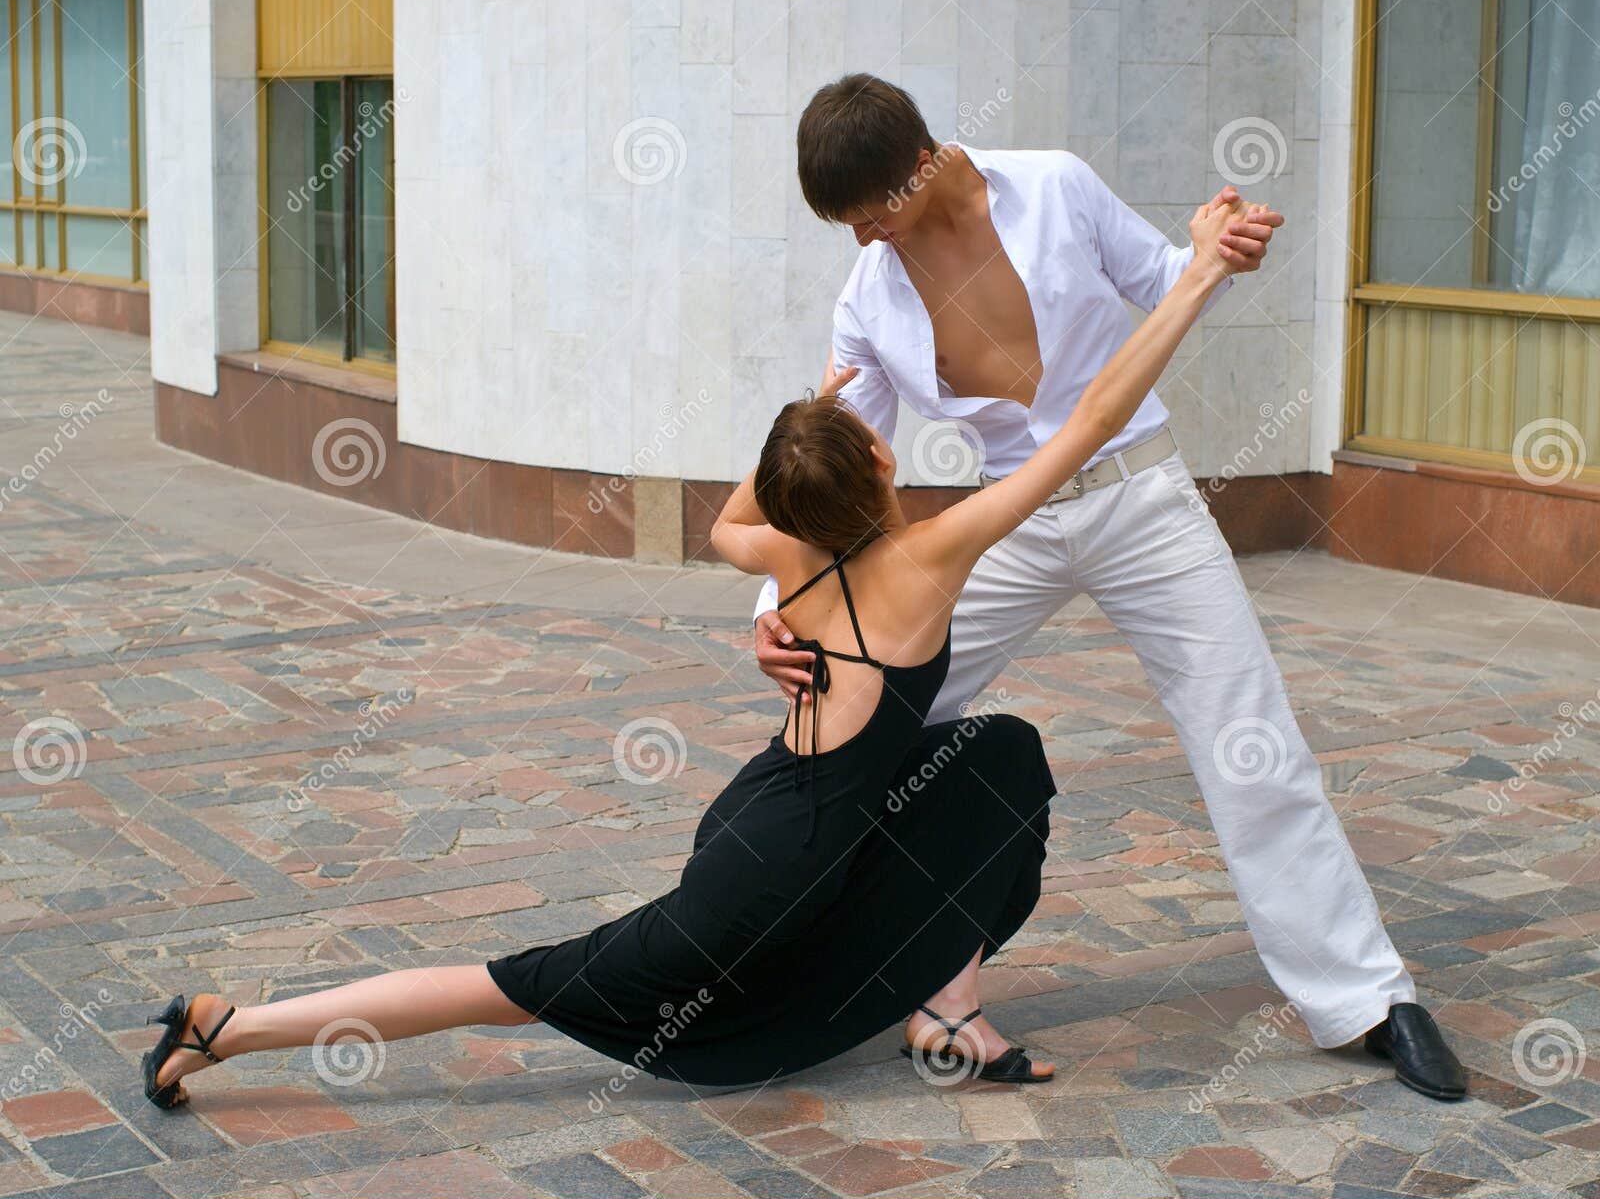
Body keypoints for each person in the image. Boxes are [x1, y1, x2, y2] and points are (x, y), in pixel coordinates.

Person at [140, 197, 1252, 1110]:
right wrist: (1195, 275)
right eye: (870, 437)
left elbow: (727, 521)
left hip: (774, 812)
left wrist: (807, 416)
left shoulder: (787, 550)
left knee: (995, 759)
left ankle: (946, 1012)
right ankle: (229, 1026)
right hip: (761, 875)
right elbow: (1090, 421)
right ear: (877, 468)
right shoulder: (926, 560)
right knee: (512, 985)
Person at [751, 74, 1465, 1102]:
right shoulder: (868, 299)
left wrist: (1220, 245)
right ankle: (854, 971)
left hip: (1141, 500)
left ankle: (1368, 998)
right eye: (847, 223)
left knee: (1248, 736)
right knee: (865, 704)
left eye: (873, 213)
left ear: (922, 164)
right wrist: (780, 614)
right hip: (1009, 519)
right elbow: (832, 472)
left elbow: (1170, 277)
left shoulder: (1054, 187)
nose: (863, 238)